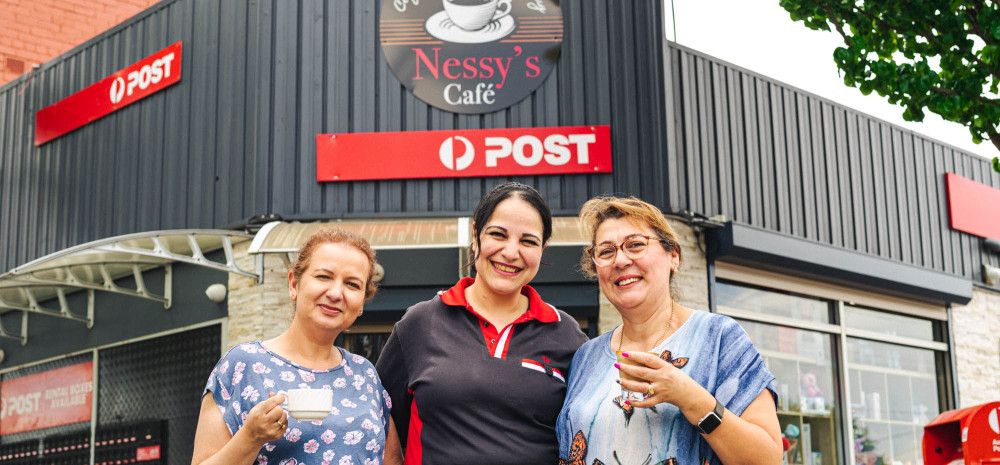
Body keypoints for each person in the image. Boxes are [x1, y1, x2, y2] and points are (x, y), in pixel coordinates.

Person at [556, 196, 781, 465]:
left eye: (635, 245)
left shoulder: (719, 338)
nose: (621, 260)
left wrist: (691, 398)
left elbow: (768, 458)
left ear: (673, 255)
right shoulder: (586, 357)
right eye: (606, 252)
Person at [376, 182, 589, 465]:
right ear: (475, 235)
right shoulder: (419, 324)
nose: (511, 252)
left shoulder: (566, 333)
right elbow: (380, 427)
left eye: (528, 241)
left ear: (543, 248)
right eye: (497, 234)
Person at [192, 228, 401, 465]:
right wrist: (250, 438)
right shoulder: (242, 365)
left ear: (362, 302)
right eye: (323, 277)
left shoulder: (365, 374)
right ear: (294, 284)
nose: (335, 293)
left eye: (352, 284)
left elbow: (391, 459)